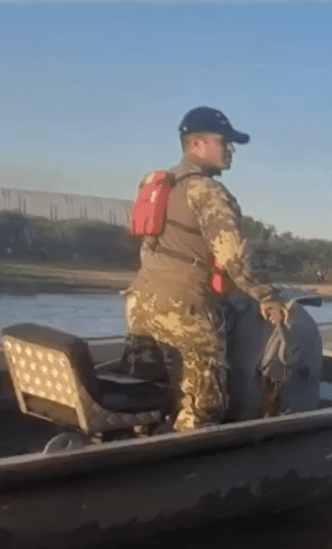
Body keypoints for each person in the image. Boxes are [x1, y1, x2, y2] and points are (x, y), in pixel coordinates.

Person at [124, 106, 290, 433]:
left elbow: (149, 246)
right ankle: (192, 473)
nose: (230, 150)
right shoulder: (209, 192)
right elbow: (235, 259)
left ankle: (137, 452)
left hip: (140, 304)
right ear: (197, 143)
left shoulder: (159, 183)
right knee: (203, 405)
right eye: (224, 141)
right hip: (186, 309)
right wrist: (268, 297)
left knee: (145, 398)